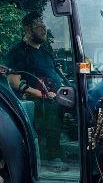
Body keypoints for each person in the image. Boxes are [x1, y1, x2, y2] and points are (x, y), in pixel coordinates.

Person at [6, 11, 67, 170]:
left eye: (44, 26)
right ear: (27, 28)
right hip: (34, 99)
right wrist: (41, 93)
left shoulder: (46, 52)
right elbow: (13, 81)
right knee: (52, 106)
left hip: (55, 95)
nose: (43, 29)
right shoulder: (18, 52)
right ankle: (52, 158)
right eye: (39, 26)